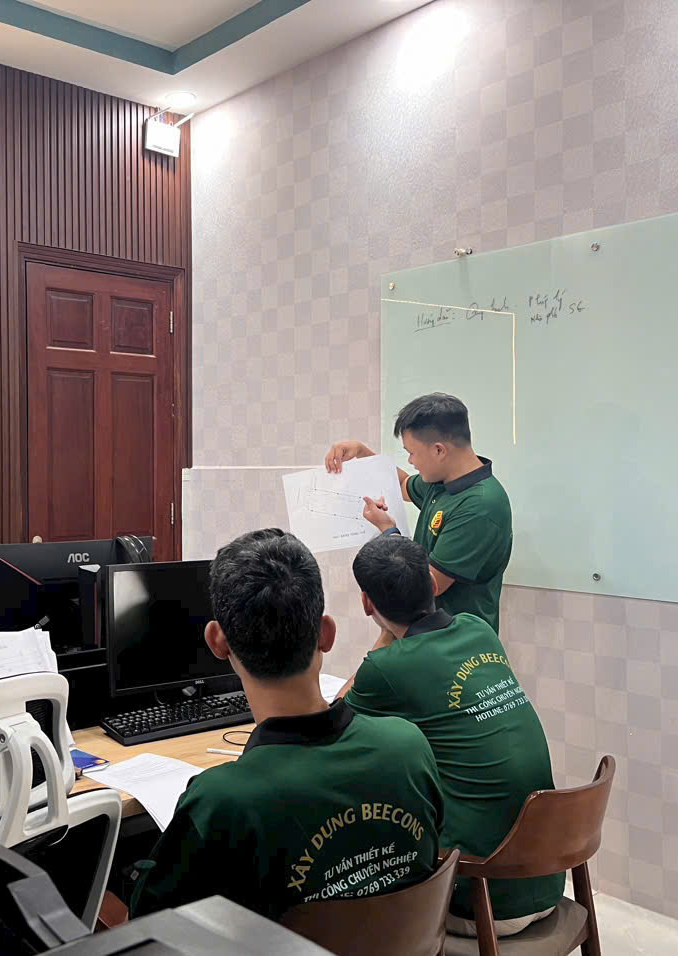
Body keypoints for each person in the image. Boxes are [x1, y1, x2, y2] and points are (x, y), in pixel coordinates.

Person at [130, 529, 445, 922]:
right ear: (326, 634)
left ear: (217, 642)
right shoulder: (409, 747)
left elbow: (150, 925)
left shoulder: (221, 802)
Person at [338, 533, 563, 937]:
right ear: (430, 582)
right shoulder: (478, 629)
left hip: (480, 894)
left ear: (367, 603)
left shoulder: (388, 668)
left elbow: (333, 721)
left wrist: (385, 634)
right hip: (547, 876)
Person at [325, 392, 511, 632]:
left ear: (439, 451)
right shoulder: (442, 481)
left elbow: (429, 584)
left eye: (411, 453)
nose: (411, 461)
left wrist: (388, 531)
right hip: (424, 635)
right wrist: (363, 453)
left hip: (455, 641)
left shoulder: (481, 506)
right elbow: (403, 485)